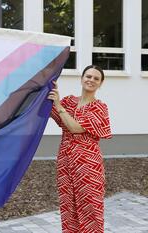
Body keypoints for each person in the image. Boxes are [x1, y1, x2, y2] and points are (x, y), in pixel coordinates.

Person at [47, 65, 112, 233]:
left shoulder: (99, 107)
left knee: (91, 209)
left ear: (101, 84)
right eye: (88, 76)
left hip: (88, 165)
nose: (91, 80)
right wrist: (45, 86)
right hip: (66, 162)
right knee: (68, 207)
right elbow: (48, 109)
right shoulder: (69, 101)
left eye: (96, 78)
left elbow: (75, 127)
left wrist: (59, 105)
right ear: (81, 78)